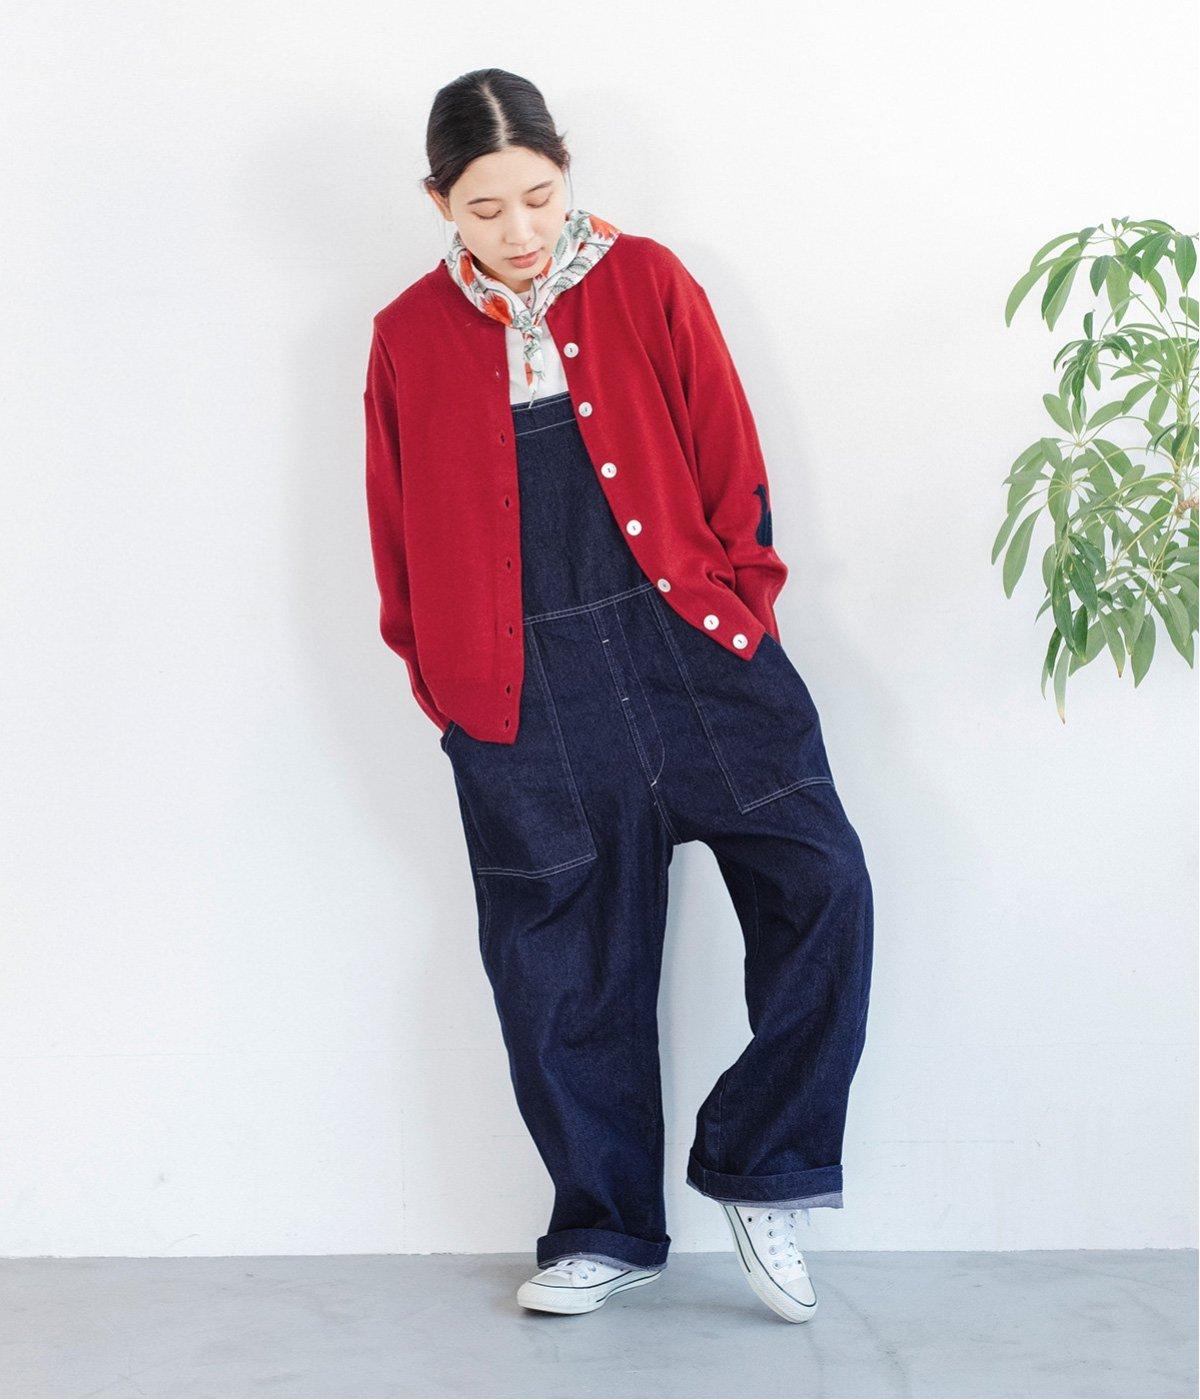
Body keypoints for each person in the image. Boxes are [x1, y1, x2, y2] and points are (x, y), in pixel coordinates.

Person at [363, 68, 874, 1324]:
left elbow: (730, 459)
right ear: (440, 203)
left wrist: (743, 617)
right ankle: (603, 1226)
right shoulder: (406, 335)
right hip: (521, 693)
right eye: (486, 208)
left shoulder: (647, 279)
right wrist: (455, 694)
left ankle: (762, 1166)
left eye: (539, 195)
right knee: (562, 969)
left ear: (566, 169)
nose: (520, 230)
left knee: (824, 885)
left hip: (697, 651)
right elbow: (395, 532)